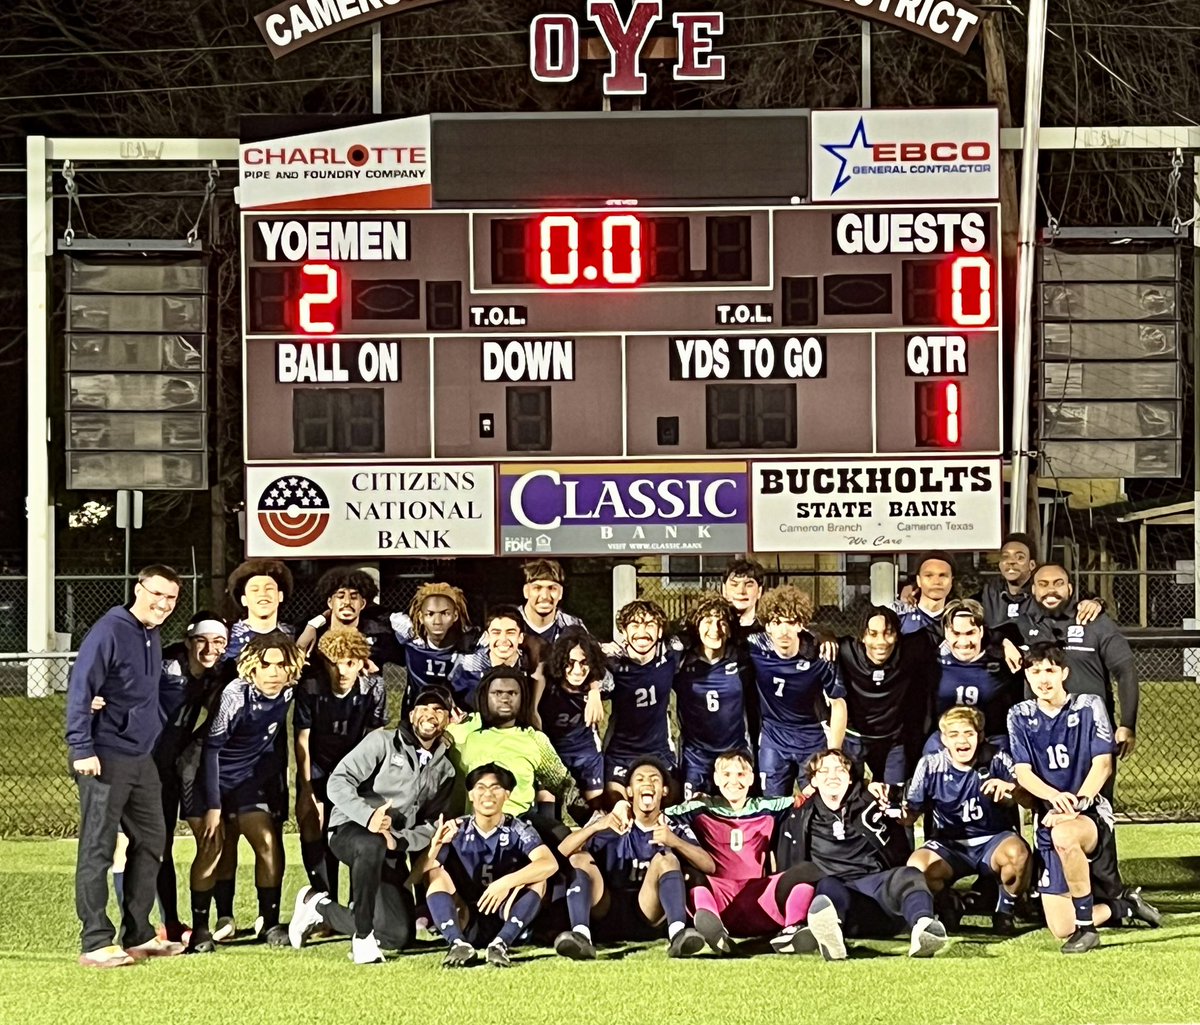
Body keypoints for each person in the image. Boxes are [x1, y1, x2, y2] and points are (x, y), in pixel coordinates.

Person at [66, 564, 187, 968]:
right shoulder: (111, 630)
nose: (164, 604)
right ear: (139, 589)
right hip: (103, 754)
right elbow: (81, 689)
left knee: (153, 841)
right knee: (98, 848)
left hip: (140, 758)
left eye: (171, 598)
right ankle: (96, 940)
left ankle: (138, 934)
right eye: (157, 594)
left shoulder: (151, 633)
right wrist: (82, 746)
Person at [1007, 644, 1160, 953]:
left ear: (1064, 673)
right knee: (1061, 927)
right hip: (1048, 817)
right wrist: (1055, 798)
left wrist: (1076, 803)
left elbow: (1103, 764)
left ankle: (1088, 931)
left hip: (1088, 812)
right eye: (1034, 671)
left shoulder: (1090, 705)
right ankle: (1124, 907)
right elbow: (1023, 772)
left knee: (1064, 834)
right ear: (1026, 675)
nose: (1043, 679)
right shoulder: (1019, 715)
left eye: (1050, 670)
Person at [288, 687, 457, 963]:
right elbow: (337, 782)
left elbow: (431, 825)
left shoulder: (445, 770)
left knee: (397, 935)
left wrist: (399, 840)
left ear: (448, 719)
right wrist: (368, 816)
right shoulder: (381, 741)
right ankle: (363, 938)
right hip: (349, 831)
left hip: (390, 845)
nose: (431, 714)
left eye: (439, 710)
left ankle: (317, 906)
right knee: (371, 842)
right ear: (412, 714)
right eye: (424, 708)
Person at [182, 633, 305, 952]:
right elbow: (211, 750)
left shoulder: (288, 689)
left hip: (245, 779)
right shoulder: (236, 694)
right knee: (213, 847)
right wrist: (213, 805)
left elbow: (313, 653)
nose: (274, 672)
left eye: (282, 666)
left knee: (268, 840)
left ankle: (270, 921)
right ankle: (200, 931)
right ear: (252, 666)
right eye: (267, 665)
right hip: (203, 774)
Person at [775, 749, 947, 960]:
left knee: (909, 874)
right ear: (814, 780)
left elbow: (908, 803)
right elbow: (790, 868)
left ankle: (923, 927)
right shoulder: (799, 815)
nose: (833, 776)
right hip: (841, 897)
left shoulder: (873, 801)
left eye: (840, 769)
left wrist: (891, 801)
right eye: (824, 771)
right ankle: (832, 935)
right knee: (827, 889)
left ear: (850, 779)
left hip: (878, 888)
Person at [554, 756, 711, 959]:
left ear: (664, 791)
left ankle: (678, 934)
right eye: (640, 779)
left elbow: (709, 866)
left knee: (666, 859)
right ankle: (581, 936)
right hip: (606, 909)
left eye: (654, 779)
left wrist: (674, 841)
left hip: (648, 912)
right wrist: (596, 826)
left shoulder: (673, 826)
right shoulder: (610, 822)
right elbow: (560, 854)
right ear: (629, 791)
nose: (647, 783)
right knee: (579, 859)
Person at [894, 706, 1031, 935]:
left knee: (1018, 855)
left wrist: (1012, 789)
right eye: (954, 734)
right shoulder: (930, 765)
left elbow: (1028, 798)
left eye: (969, 733)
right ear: (944, 739)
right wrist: (898, 814)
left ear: (980, 736)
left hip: (993, 840)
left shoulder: (997, 758)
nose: (962, 740)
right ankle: (950, 904)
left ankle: (1005, 912)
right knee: (917, 867)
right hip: (950, 845)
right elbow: (911, 814)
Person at [667, 749, 816, 955]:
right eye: (727, 774)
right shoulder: (700, 807)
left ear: (751, 778)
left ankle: (792, 930)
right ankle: (714, 930)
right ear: (716, 779)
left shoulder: (768, 806)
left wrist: (820, 782)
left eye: (740, 774)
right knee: (688, 874)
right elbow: (658, 815)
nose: (734, 781)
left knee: (808, 870)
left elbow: (803, 800)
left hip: (761, 897)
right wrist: (622, 806)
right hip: (717, 896)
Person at [416, 763, 559, 968]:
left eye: (496, 788)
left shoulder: (518, 828)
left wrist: (504, 883)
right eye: (480, 788)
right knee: (434, 873)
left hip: (505, 913)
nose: (488, 794)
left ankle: (501, 944)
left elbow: (549, 864)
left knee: (539, 878)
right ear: (471, 795)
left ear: (507, 795)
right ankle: (457, 943)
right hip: (466, 916)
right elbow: (414, 877)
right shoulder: (456, 828)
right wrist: (434, 847)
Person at [294, 629, 388, 903]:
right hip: (320, 765)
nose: (341, 671)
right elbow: (302, 739)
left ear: (361, 662)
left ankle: (357, 901)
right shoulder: (311, 687)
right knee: (313, 823)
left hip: (356, 771)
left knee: (358, 828)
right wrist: (305, 789)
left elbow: (376, 738)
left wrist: (370, 786)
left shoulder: (375, 687)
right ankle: (324, 899)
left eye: (349, 662)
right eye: (333, 662)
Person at [151, 611, 228, 943]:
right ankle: (132, 927)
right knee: (139, 846)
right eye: (202, 640)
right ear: (187, 641)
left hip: (167, 769)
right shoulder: (164, 662)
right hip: (138, 764)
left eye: (218, 642)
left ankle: (169, 921)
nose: (209, 648)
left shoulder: (216, 674)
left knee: (162, 846)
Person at [1015, 564, 1140, 765]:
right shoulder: (1020, 624)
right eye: (1043, 584)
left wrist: (1127, 724)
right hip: (1041, 733)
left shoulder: (1094, 621)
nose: (1051, 590)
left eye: (1058, 583)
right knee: (1049, 796)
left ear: (1070, 589)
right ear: (1033, 590)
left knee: (1096, 796)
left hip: (1092, 731)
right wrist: (1004, 642)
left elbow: (1125, 671)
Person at [746, 585, 846, 796]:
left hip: (811, 738)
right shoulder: (754, 647)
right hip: (774, 737)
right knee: (772, 806)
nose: (784, 631)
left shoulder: (819, 654)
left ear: (801, 624)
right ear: (767, 626)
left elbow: (838, 703)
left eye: (791, 622)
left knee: (817, 805)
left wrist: (833, 753)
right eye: (777, 623)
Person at [823, 605, 932, 789]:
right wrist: (824, 636)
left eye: (888, 633)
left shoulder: (910, 652)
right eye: (873, 634)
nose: (881, 641)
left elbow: (939, 629)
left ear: (897, 635)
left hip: (892, 739)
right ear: (862, 636)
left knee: (893, 797)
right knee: (851, 795)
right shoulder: (846, 651)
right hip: (854, 738)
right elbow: (812, 635)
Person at [448, 665, 573, 821]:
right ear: (485, 696)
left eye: (512, 693)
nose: (505, 699)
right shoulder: (464, 733)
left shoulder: (534, 739)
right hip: (475, 825)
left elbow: (565, 786)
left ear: (523, 698)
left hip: (522, 824)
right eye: (497, 693)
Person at [673, 594, 752, 798]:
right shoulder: (681, 661)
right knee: (694, 814)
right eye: (708, 621)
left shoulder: (742, 658)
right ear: (696, 626)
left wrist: (824, 636)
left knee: (734, 815)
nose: (715, 629)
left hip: (734, 752)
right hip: (696, 755)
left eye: (722, 622)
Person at [925, 598, 1023, 753]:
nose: (963, 642)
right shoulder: (931, 661)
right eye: (956, 633)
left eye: (970, 633)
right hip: (946, 744)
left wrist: (1004, 641)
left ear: (981, 632)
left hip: (991, 743)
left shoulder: (1003, 661)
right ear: (945, 632)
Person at [604, 600, 680, 799]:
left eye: (650, 625)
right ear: (624, 631)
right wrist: (595, 689)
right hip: (621, 752)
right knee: (616, 803)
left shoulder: (672, 656)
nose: (642, 632)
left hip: (659, 750)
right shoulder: (612, 664)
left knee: (670, 799)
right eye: (635, 625)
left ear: (660, 631)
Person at [532, 626, 608, 811]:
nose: (577, 670)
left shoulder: (600, 681)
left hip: (586, 752)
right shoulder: (546, 678)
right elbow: (532, 712)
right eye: (570, 662)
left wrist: (595, 692)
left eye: (584, 663)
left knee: (595, 812)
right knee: (548, 814)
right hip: (553, 752)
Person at [978, 533, 1103, 629]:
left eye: (1020, 557)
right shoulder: (990, 590)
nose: (1011, 562)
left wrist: (1096, 603)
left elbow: (1084, 602)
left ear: (1032, 565)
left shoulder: (1043, 592)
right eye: (1005, 557)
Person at [389, 582, 477, 715]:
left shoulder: (470, 646)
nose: (437, 621)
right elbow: (391, 619)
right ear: (421, 617)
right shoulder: (412, 638)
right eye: (430, 614)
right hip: (417, 711)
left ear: (455, 616)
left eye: (445, 614)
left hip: (458, 714)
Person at [450, 605, 555, 713]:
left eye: (510, 632)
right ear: (487, 637)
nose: (503, 639)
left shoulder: (533, 669)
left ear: (520, 638)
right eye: (496, 632)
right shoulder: (468, 666)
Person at [294, 566, 401, 666]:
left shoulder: (380, 636)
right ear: (330, 602)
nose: (347, 602)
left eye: (354, 597)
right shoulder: (315, 633)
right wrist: (312, 625)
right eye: (341, 596)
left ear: (362, 604)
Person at [223, 559, 294, 665]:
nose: (262, 595)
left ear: (280, 596)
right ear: (244, 600)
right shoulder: (226, 635)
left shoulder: (294, 635)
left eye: (269, 589)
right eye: (255, 590)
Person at [896, 551, 956, 647]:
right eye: (929, 575)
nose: (936, 581)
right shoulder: (900, 618)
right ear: (918, 580)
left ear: (951, 581)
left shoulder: (959, 619)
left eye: (943, 575)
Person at [519, 559, 583, 645]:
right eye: (537, 588)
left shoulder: (573, 626)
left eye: (552, 588)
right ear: (526, 591)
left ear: (560, 592)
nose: (545, 596)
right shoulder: (507, 623)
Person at [721, 559, 765, 643]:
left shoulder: (768, 631)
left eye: (749, 585)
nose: (741, 591)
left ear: (759, 591)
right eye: (734, 584)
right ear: (724, 590)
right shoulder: (715, 630)